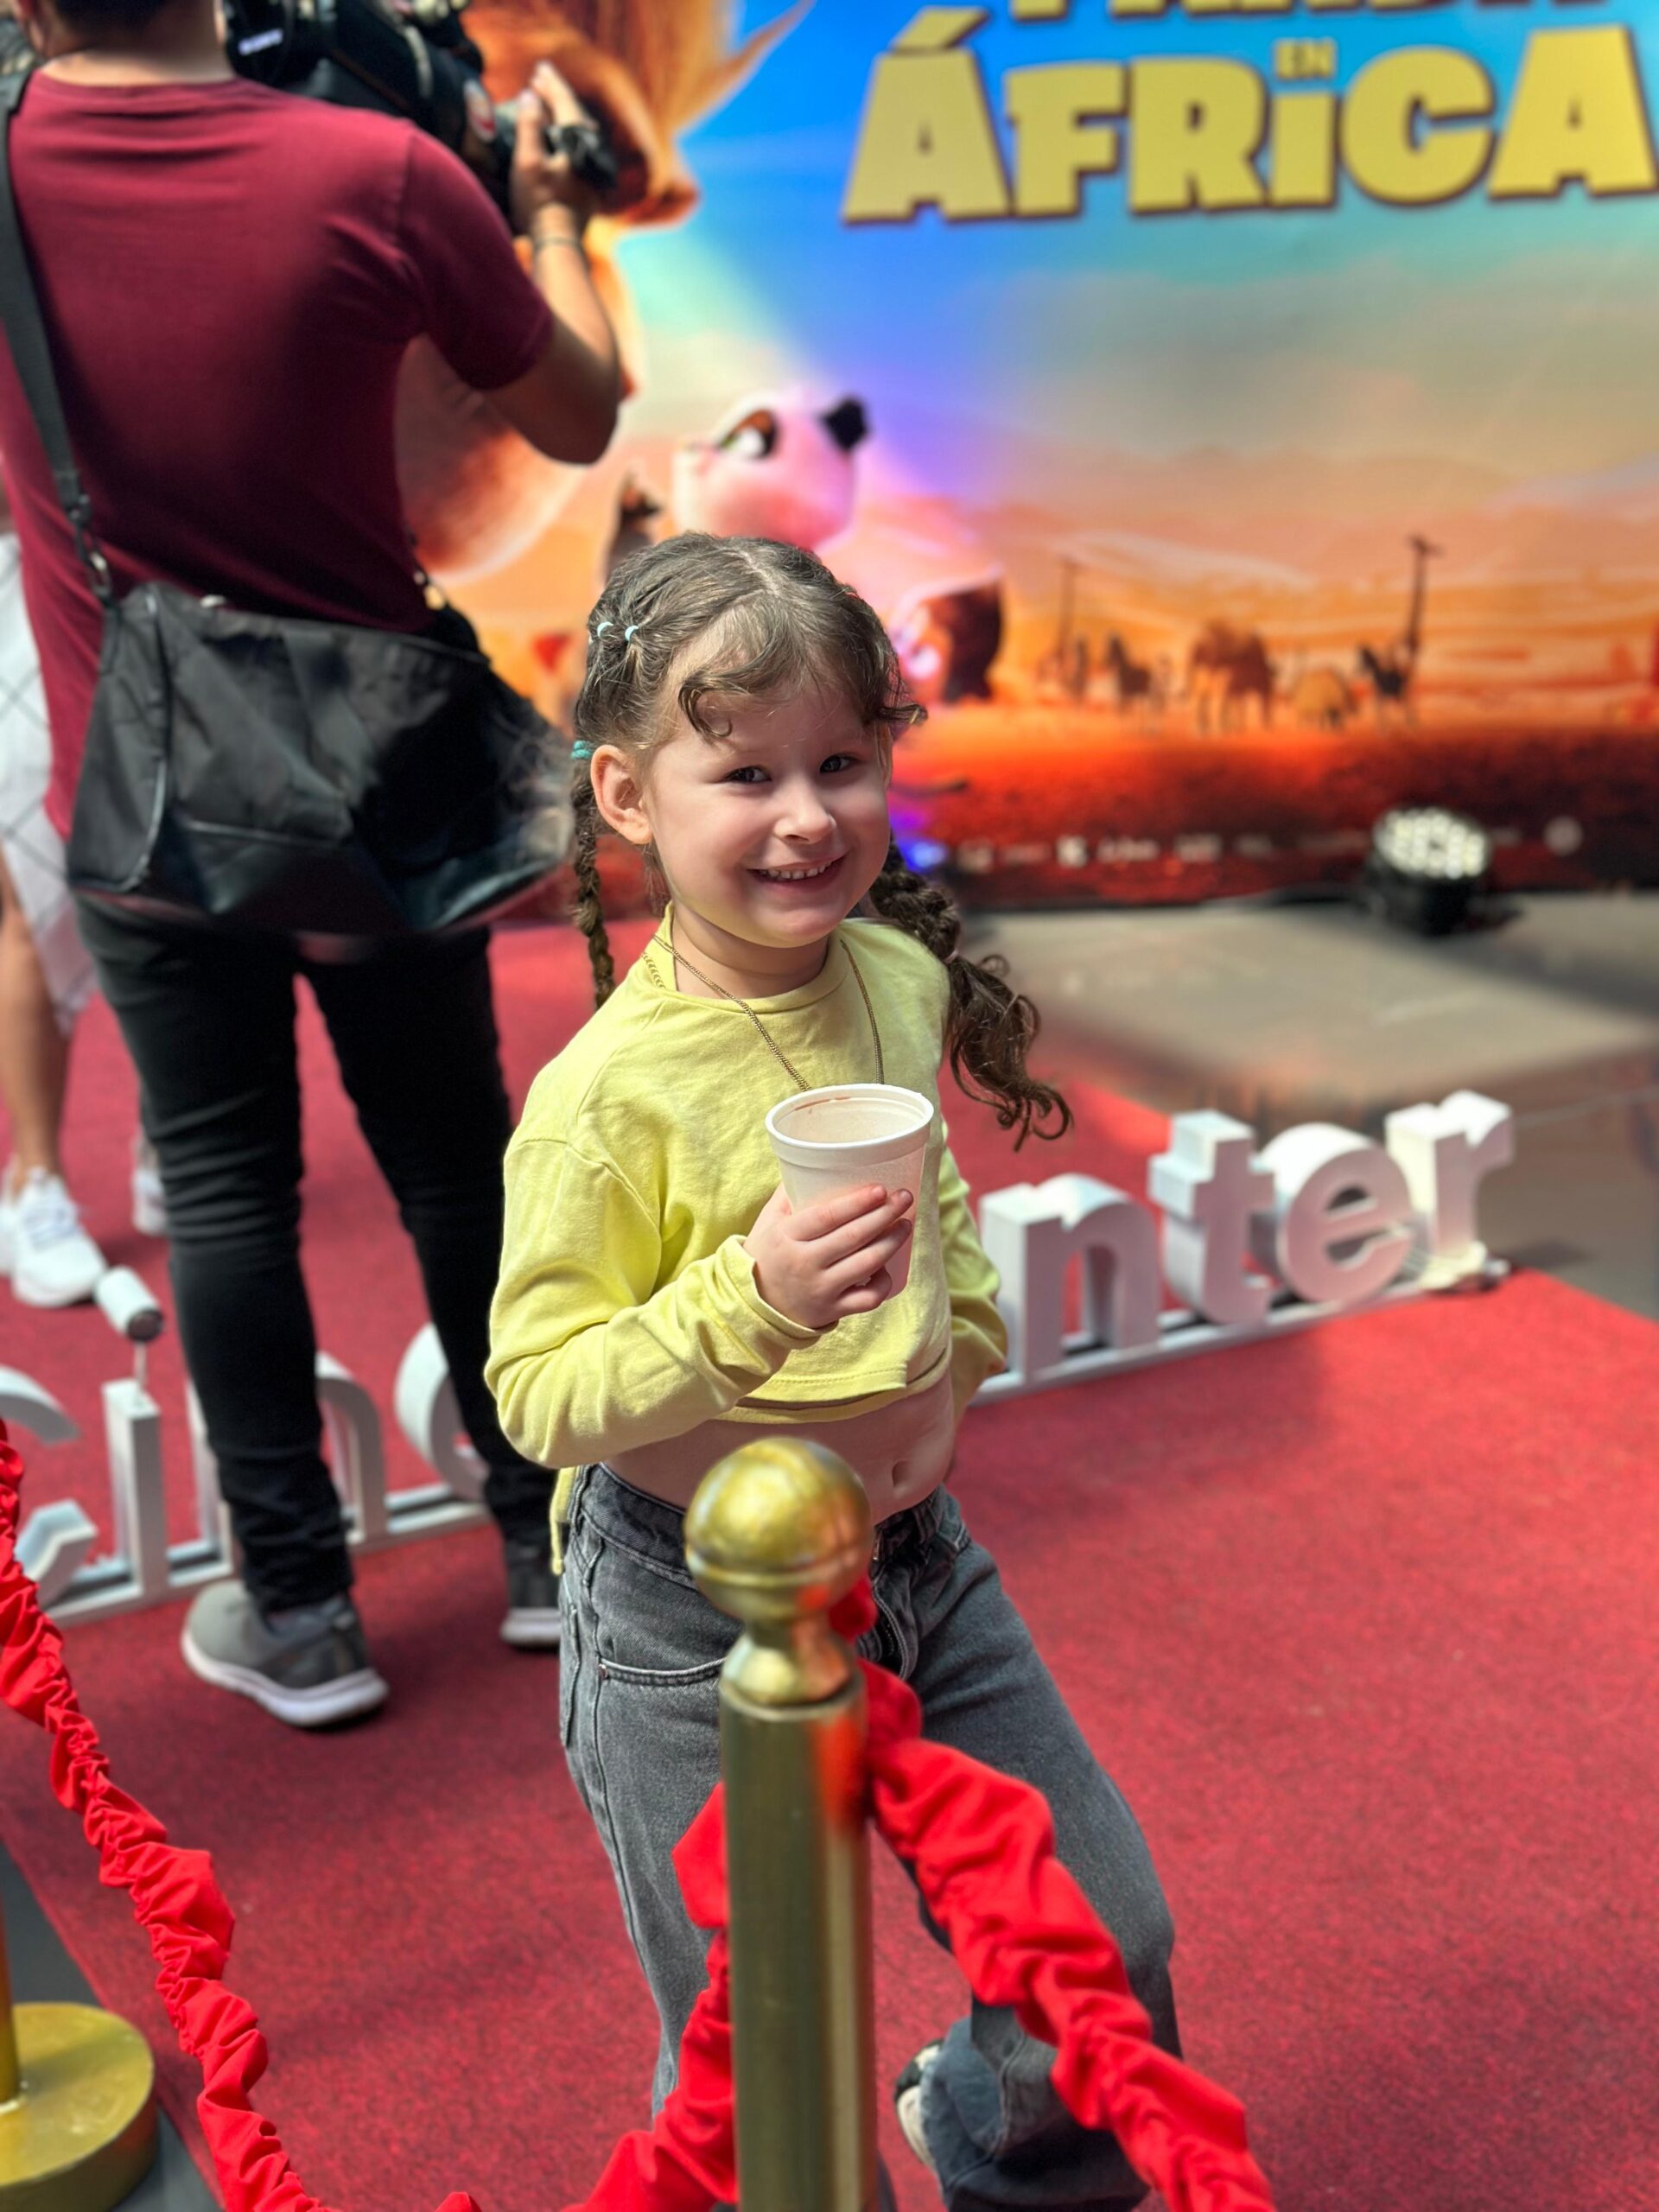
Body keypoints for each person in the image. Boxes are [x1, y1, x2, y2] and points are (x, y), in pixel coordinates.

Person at [487, 535, 1181, 2207]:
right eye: (746, 774)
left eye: (843, 763)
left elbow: (937, 1200)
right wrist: (753, 1297)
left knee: (1098, 1943)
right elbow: (540, 1393)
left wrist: (956, 1355)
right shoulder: (605, 1098)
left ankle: (1004, 2149)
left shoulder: (893, 974)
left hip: (919, 1566)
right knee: (766, 2052)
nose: (807, 816)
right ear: (628, 796)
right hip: (686, 1616)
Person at [0, 0, 625, 1725]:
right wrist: (548, 216)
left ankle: (298, 1609)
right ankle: (550, 1547)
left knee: (221, 1184)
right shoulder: (384, 175)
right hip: (373, 784)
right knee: (453, 1159)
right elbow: (578, 416)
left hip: (141, 792)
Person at [0, 474, 162, 1308]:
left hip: (146, 565)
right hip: (23, 574)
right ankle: (35, 1180)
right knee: (29, 903)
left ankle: (167, 1141)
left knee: (175, 879)